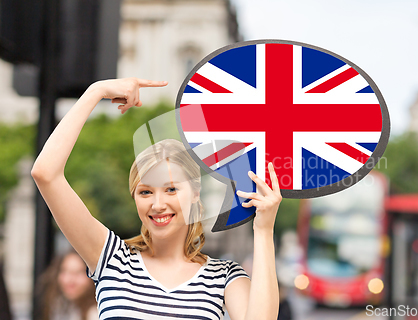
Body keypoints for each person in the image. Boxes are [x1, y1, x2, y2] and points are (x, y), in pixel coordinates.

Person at [31, 78, 282, 319]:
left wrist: (264, 229)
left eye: (171, 189)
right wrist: (97, 91)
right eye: (145, 192)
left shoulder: (223, 277)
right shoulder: (112, 259)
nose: (158, 204)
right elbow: (45, 173)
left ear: (195, 193)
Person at [36, 250, 98, 320]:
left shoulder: (97, 313)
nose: (69, 280)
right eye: (65, 271)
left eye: (78, 272)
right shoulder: (58, 305)